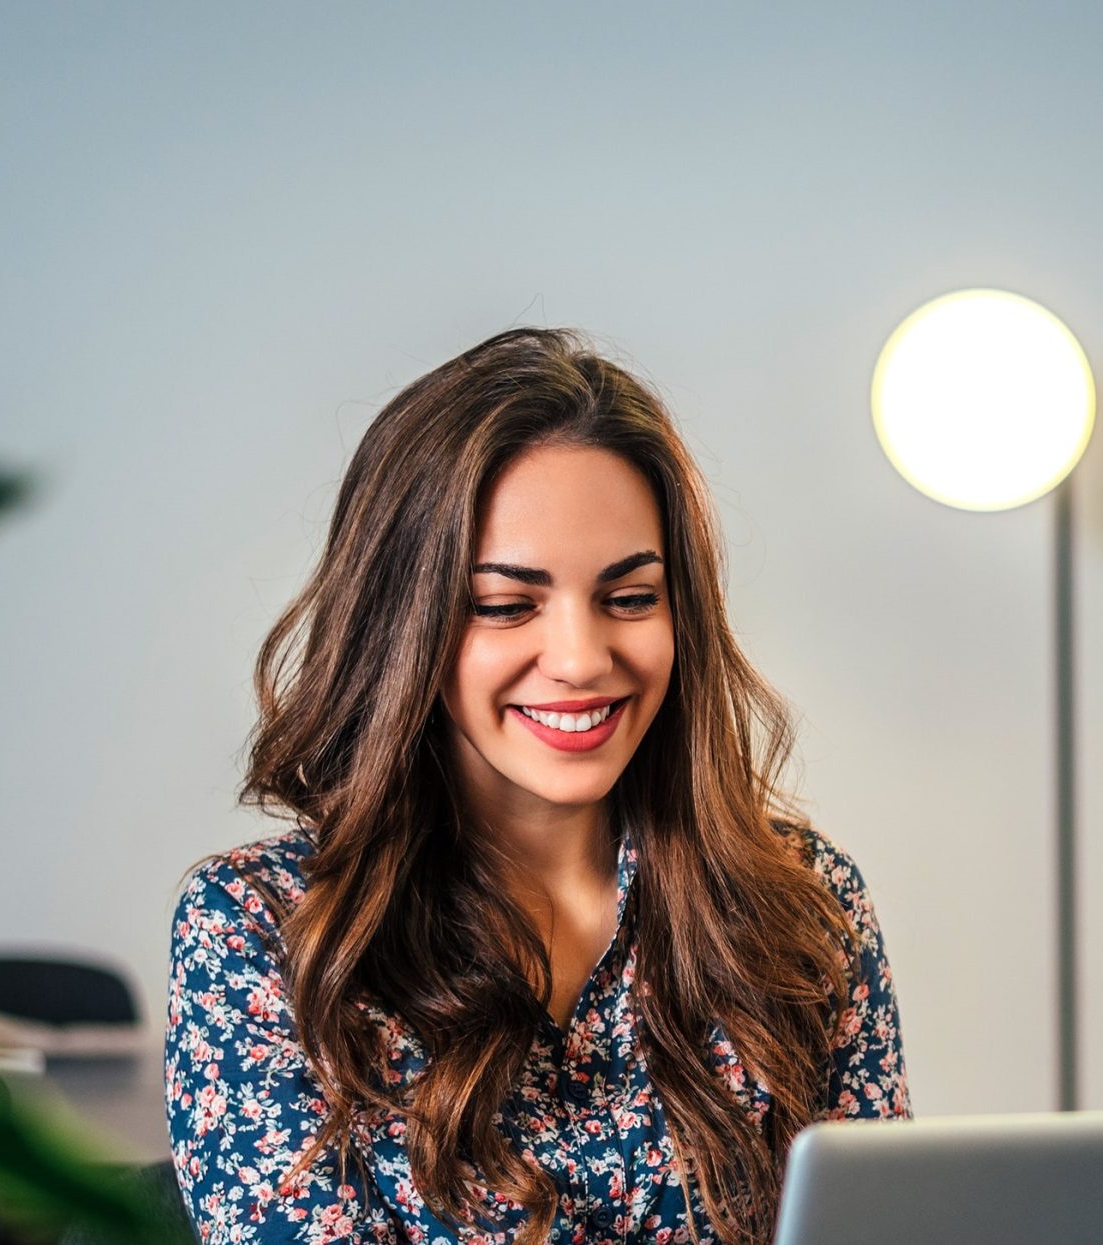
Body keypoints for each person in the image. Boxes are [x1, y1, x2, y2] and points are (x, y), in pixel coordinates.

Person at [163, 328, 910, 1245]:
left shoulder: (807, 906)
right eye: (506, 605)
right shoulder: (266, 933)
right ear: (405, 624)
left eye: (630, 597)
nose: (581, 658)